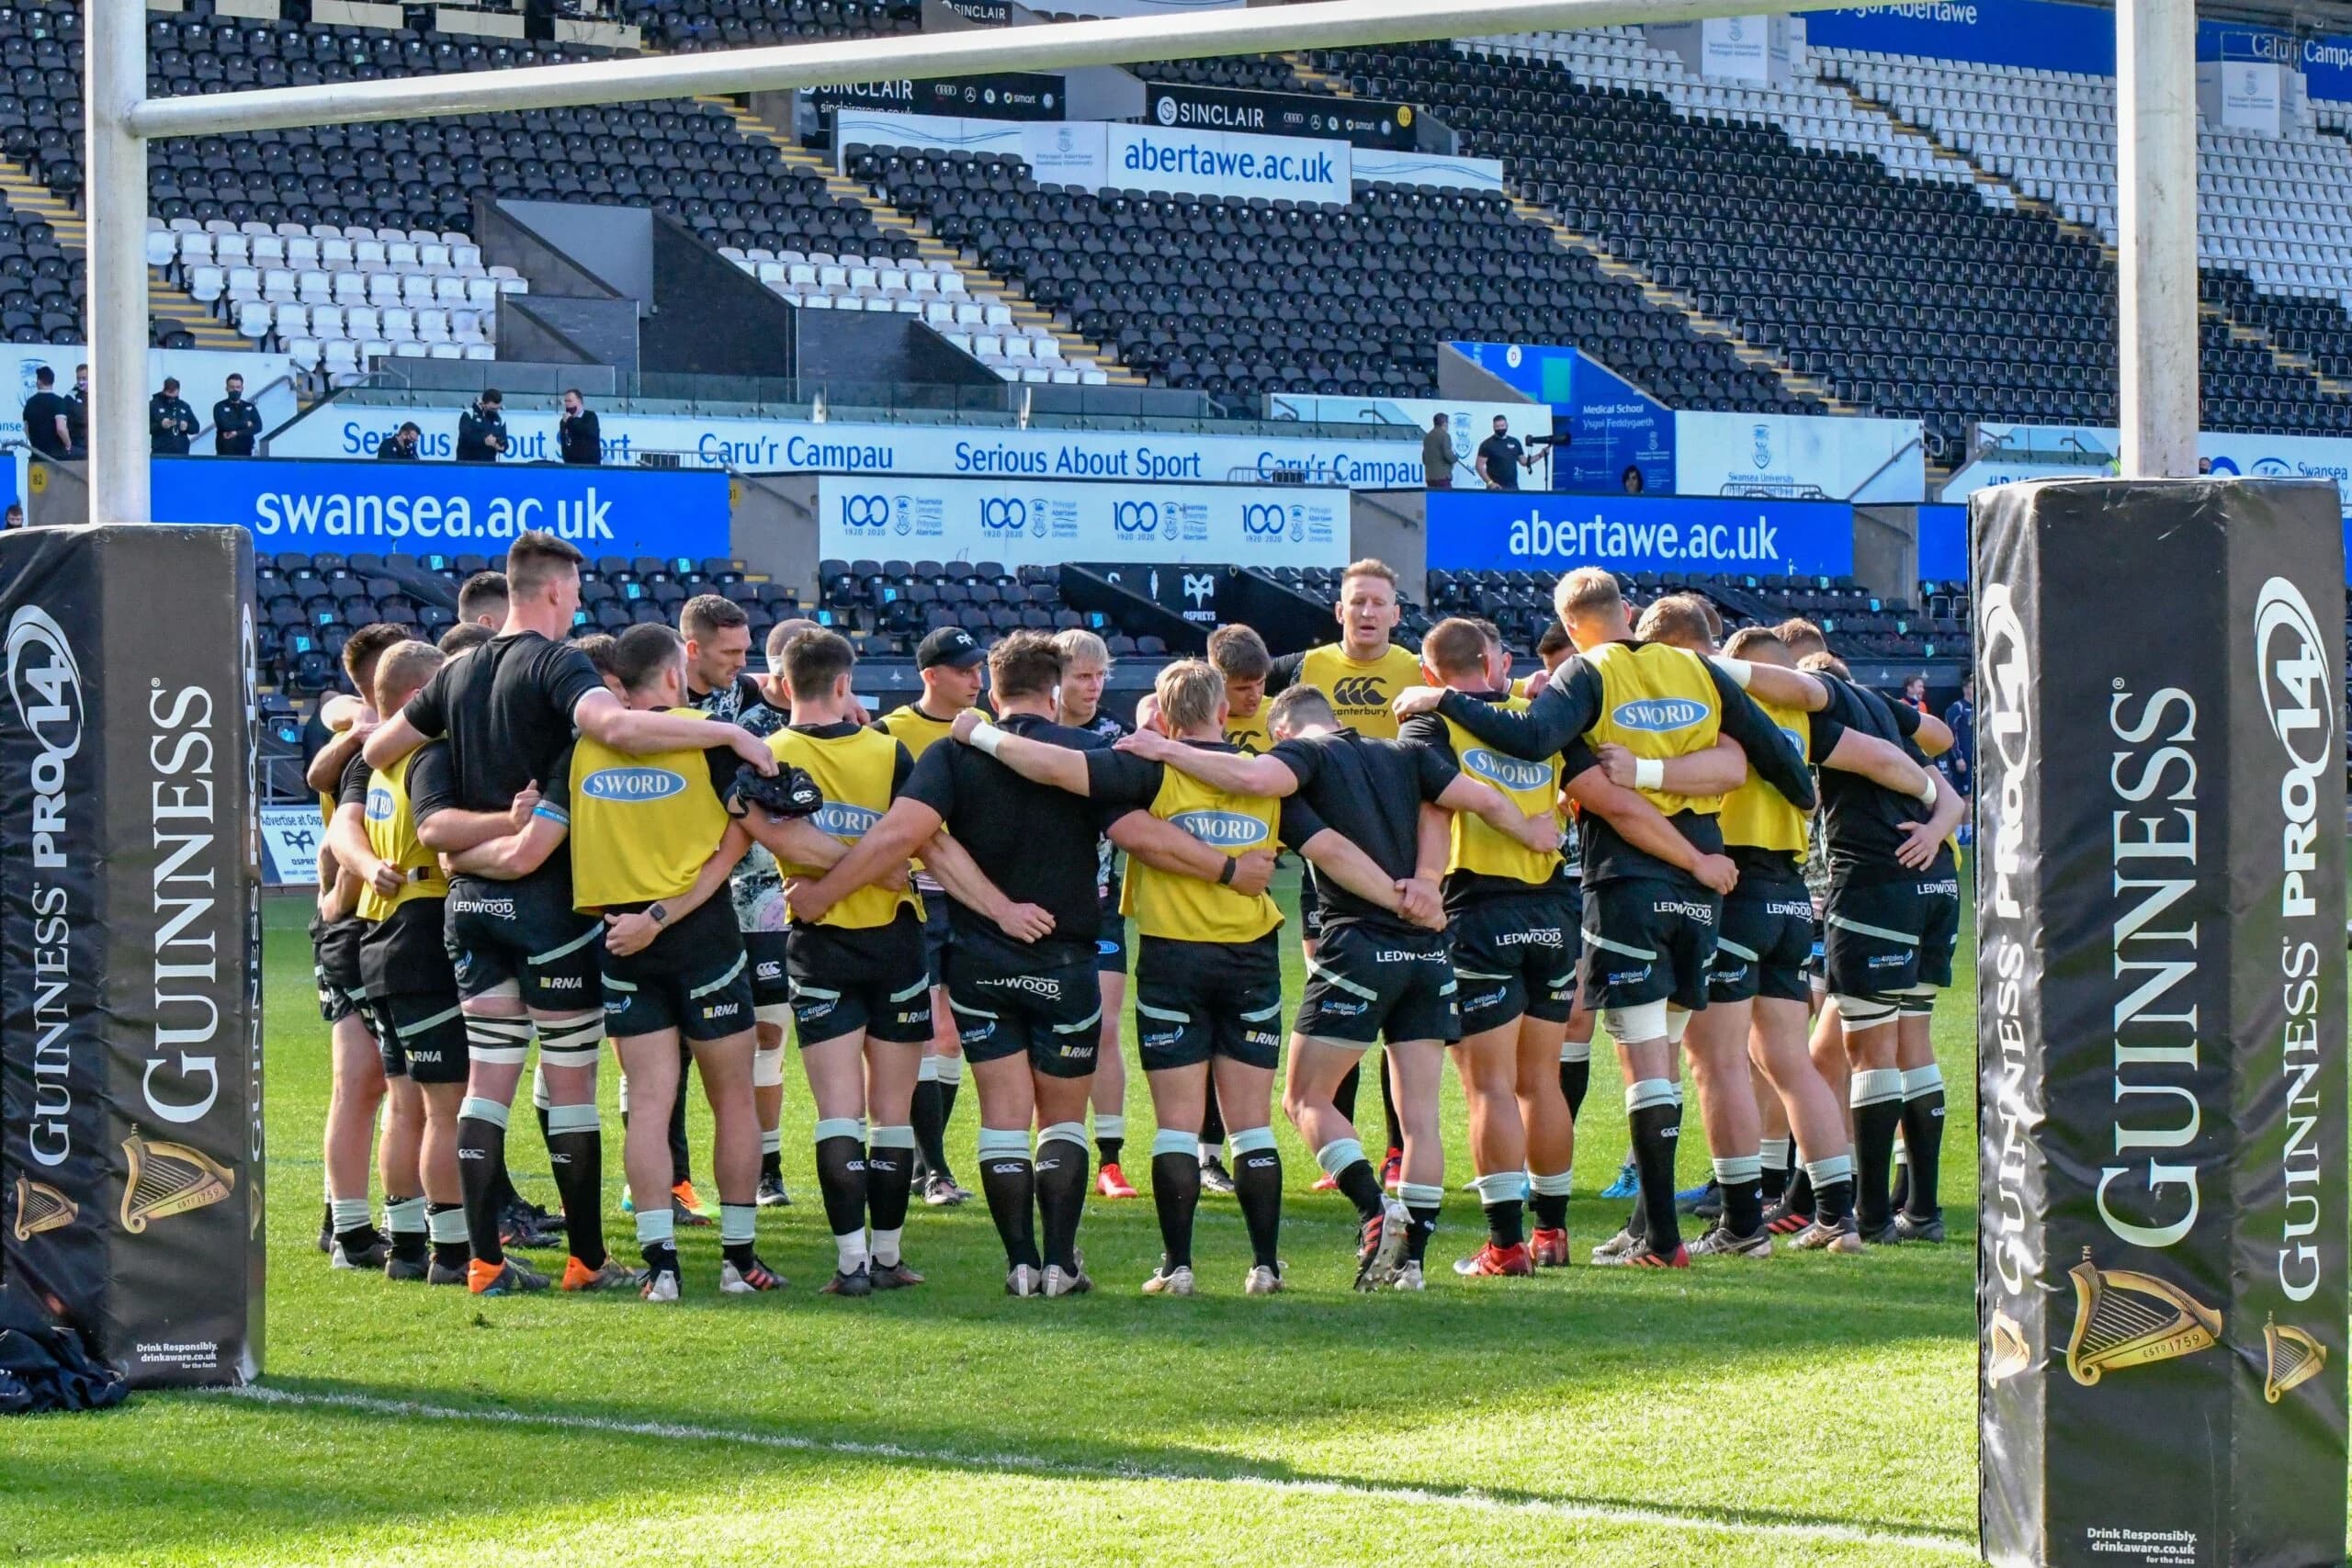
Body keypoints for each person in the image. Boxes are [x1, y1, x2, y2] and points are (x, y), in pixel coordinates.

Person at [362, 530, 777, 1296]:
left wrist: (468, 835)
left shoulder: (453, 674)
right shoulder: (557, 662)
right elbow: (614, 728)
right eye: (577, 591)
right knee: (572, 1085)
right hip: (550, 904)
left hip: (469, 903)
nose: (579, 601)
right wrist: (726, 731)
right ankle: (585, 1257)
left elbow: (379, 745)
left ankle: (482, 1261)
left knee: (486, 1083)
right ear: (554, 591)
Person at [963, 660, 1450, 1296]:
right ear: (1225, 715)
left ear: (1162, 718)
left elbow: (1055, 767)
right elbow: (1329, 849)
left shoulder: (1147, 767)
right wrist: (1405, 895)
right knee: (1250, 1122)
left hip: (1172, 958)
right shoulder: (1266, 783)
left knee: (1176, 1124)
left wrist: (978, 733)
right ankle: (1267, 1267)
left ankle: (1179, 1266)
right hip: (1251, 960)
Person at [1391, 568, 1818, 1269]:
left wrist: (1441, 698)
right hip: (1706, 885)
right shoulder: (1698, 670)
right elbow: (1777, 761)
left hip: (1628, 882)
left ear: (1568, 621)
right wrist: (1754, 784)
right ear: (1628, 609)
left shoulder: (1588, 673)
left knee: (1642, 1061)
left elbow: (1533, 741)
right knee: (1685, 1060)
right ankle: (1699, 1223)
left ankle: (1660, 1240)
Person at [1115, 683, 1559, 1291]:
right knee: (1422, 1116)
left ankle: (1374, 1205)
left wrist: (1165, 749)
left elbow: (1298, 819)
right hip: (1428, 952)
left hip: (1362, 944)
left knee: (1304, 1098)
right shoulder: (1404, 754)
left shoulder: (1306, 760)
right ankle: (1411, 1267)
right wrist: (1525, 837)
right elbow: (1474, 798)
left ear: (1284, 733)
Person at [453, 623, 784, 1301]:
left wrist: (458, 856)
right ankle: (738, 1260)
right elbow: (747, 830)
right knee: (733, 1101)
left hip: (619, 940)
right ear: (671, 675)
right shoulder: (706, 737)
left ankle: (661, 1265)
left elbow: (531, 846)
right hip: (702, 938)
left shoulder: (579, 752)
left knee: (650, 1105)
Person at [1632, 603, 1954, 1257]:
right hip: (1792, 893)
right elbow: (1914, 756)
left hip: (1740, 880)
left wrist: (1642, 778)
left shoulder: (1724, 704)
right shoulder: (1819, 724)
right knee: (1791, 1057)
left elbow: (1707, 774)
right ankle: (1839, 1210)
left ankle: (1742, 1219)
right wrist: (1936, 808)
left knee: (1714, 1059)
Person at [746, 628, 1027, 1293]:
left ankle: (850, 1266)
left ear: (784, 684)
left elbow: (774, 833)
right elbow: (931, 846)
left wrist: (830, 881)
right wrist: (995, 906)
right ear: (845, 684)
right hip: (896, 942)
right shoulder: (887, 750)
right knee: (892, 1114)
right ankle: (890, 1255)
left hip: (817, 942)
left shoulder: (771, 753)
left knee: (838, 1111)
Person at [1264, 558, 1442, 1192]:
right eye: (1356, 601)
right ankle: (1347, 1140)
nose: (1367, 612)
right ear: (1338, 610)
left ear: (1397, 613)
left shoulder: (1417, 673)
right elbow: (1235, 687)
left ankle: (1393, 1155)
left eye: (1378, 602)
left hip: (1395, 848)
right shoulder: (1303, 671)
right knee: (1334, 995)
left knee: (1390, 1005)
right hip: (1328, 864)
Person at [325, 640, 469, 1284]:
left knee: (405, 1104)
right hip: (420, 932)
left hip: (376, 938)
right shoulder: (426, 755)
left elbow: (342, 827)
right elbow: (442, 842)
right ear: (419, 698)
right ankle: (455, 1252)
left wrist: (363, 870)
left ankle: (407, 1245)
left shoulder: (370, 757)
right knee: (445, 1107)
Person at [300, 623, 414, 1269]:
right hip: (353, 921)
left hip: (370, 915)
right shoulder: (364, 737)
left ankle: (346, 1221)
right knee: (364, 1079)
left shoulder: (368, 727)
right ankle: (346, 1228)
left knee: (381, 1079)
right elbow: (334, 801)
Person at [678, 593, 790, 1211]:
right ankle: (672, 1176)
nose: (742, 663)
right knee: (667, 1047)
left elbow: (798, 689)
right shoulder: (655, 701)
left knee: (768, 1033)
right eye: (730, 652)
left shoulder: (748, 694)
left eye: (747, 650)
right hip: (680, 888)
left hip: (759, 894)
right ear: (690, 649)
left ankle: (768, 1169)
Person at [875, 626, 989, 1208]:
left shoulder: (986, 731)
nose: (977, 679)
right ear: (931, 676)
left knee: (953, 1040)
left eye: (980, 669)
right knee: (931, 1033)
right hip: (915, 899)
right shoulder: (890, 732)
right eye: (965, 670)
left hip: (968, 898)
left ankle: (930, 1168)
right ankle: (934, 1169)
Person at [1052, 629, 1136, 1202]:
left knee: (1104, 1027)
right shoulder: (1022, 730)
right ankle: (1055, 1146)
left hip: (1100, 905)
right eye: (1082, 675)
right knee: (1047, 1031)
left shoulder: (1115, 737)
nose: (1094, 686)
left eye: (1100, 675)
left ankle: (1110, 1160)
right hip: (1032, 906)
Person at [1210, 624, 1274, 758]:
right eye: (1242, 688)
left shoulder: (1281, 715)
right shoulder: (1198, 721)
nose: (1255, 695)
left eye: (1260, 682)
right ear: (1217, 683)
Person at [1942, 673, 1974, 828]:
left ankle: (1967, 830)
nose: (1973, 690)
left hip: (1974, 759)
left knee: (1971, 795)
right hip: (1962, 760)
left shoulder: (1978, 708)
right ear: (1965, 689)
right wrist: (1958, 757)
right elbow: (1950, 734)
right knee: (1963, 796)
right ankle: (1961, 830)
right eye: (1970, 687)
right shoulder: (1957, 708)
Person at [20, 367, 69, 460]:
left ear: (39, 381)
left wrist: (35, 445)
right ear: (52, 381)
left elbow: (26, 429)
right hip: (56, 458)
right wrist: (68, 444)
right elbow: (61, 429)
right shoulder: (59, 401)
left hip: (37, 456)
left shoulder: (29, 403)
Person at [213, 373, 263, 457]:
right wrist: (246, 424)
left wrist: (237, 433)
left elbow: (258, 427)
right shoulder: (220, 406)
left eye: (238, 387)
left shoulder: (249, 407)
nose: (235, 390)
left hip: (246, 453)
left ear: (242, 389)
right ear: (227, 389)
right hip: (225, 454)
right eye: (232, 387)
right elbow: (225, 425)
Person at [1476, 414, 1529, 491]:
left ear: (1507, 425)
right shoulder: (1487, 444)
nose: (1500, 428)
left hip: (1513, 487)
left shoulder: (1515, 442)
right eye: (1497, 426)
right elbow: (1479, 466)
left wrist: (1541, 455)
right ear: (1493, 427)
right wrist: (1490, 483)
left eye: (1502, 426)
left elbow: (1524, 462)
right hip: (1495, 488)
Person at [149, 378, 198, 457]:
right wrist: (160, 425)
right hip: (160, 453)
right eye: (169, 394)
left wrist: (187, 427)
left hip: (181, 453)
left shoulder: (184, 406)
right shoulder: (153, 405)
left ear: (178, 391)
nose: (172, 398)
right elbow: (145, 429)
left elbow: (196, 427)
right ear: (164, 390)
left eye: (174, 395)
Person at [456, 391, 508, 463]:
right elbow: (465, 438)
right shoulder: (469, 414)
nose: (496, 411)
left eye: (498, 408)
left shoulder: (499, 419)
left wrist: (501, 447)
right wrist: (484, 441)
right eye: (492, 409)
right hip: (467, 463)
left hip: (490, 464)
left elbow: (505, 443)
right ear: (483, 404)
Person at [558, 389, 601, 466]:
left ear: (579, 401)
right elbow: (564, 442)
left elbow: (587, 431)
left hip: (589, 463)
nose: (567, 404)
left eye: (570, 401)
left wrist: (570, 420)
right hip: (571, 463)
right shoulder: (564, 421)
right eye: (566, 401)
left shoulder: (590, 416)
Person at [1421, 412, 1455, 489]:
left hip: (1429, 477)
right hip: (1443, 477)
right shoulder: (1445, 436)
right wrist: (1455, 458)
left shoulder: (1427, 437)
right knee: (1446, 499)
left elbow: (1424, 458)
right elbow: (1448, 455)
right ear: (1444, 423)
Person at [65, 364, 86, 455]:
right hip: (79, 444)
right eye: (78, 378)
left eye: (84, 378)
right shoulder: (71, 396)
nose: (81, 382)